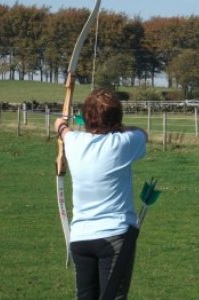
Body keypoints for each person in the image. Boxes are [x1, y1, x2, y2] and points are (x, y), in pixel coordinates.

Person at [54, 89, 148, 300]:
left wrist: (61, 123)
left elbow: (60, 128)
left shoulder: (74, 142)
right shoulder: (123, 142)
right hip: (114, 236)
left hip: (80, 239)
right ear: (117, 119)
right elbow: (143, 134)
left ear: (86, 117)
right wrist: (120, 128)